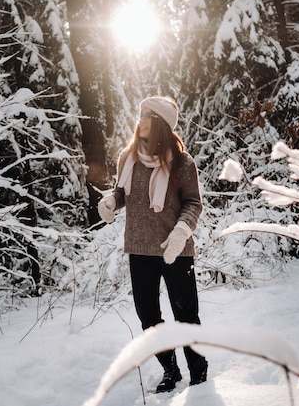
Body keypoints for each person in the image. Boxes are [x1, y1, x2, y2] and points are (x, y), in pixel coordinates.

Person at [97, 96, 208, 393]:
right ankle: (170, 370)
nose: (141, 120)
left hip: (175, 250)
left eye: (148, 115)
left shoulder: (182, 163)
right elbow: (122, 191)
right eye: (140, 113)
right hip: (140, 249)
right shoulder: (128, 157)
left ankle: (198, 371)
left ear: (160, 124)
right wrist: (111, 201)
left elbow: (194, 203)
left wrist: (181, 232)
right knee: (149, 317)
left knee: (186, 315)